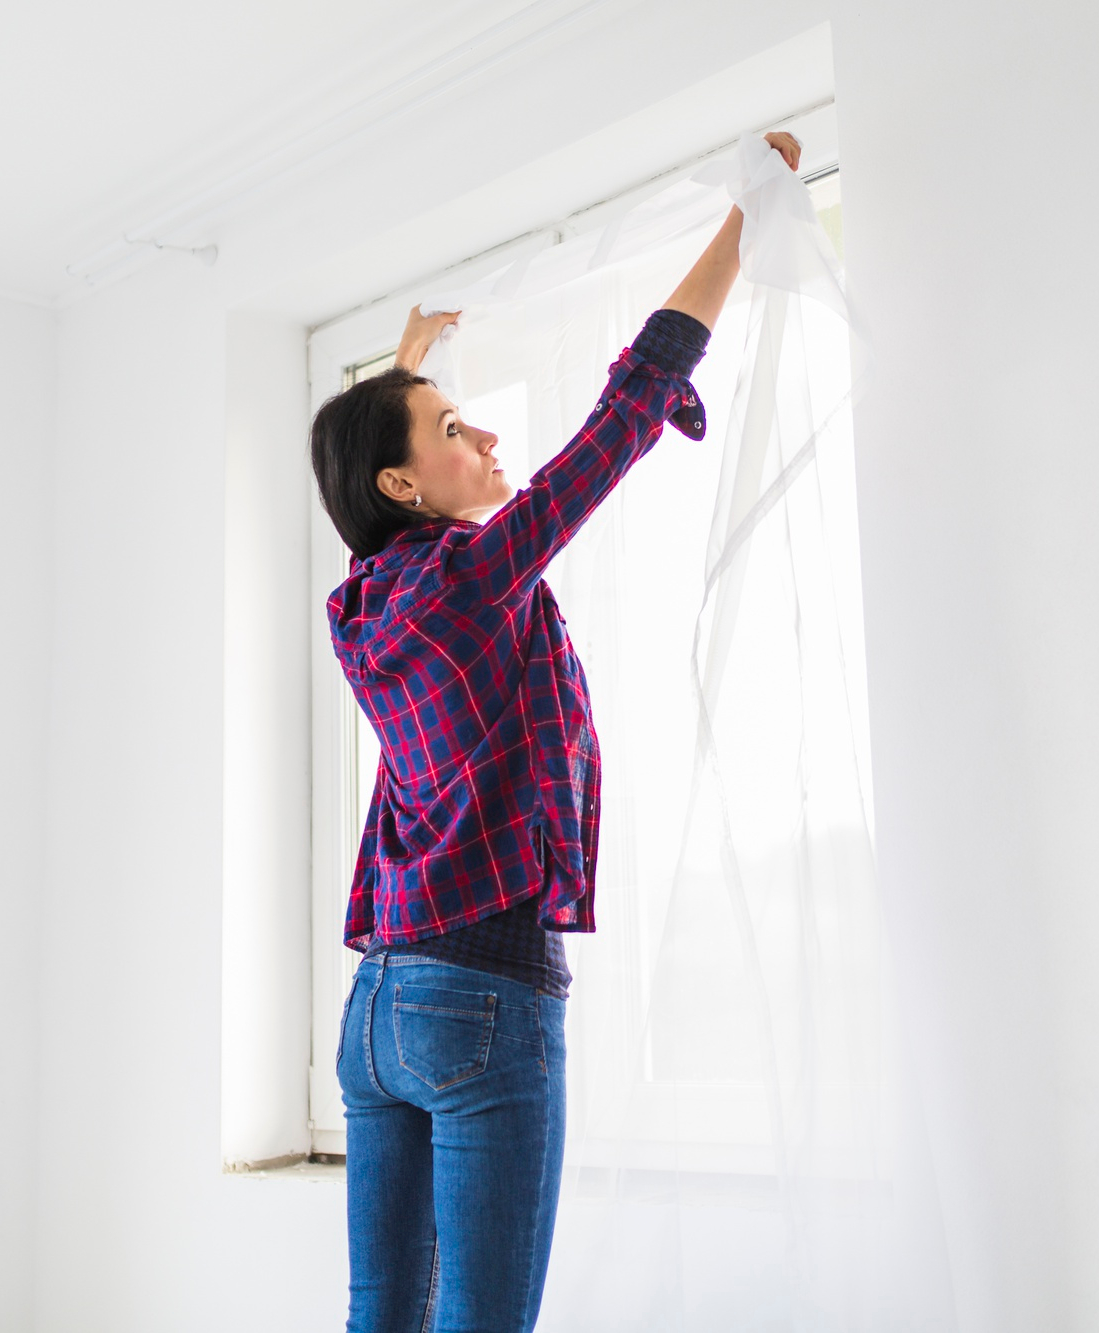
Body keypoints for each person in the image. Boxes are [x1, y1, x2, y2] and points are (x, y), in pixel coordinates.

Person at [308, 132, 803, 1333]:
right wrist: (749, 225)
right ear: (404, 488)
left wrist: (405, 368)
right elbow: (618, 424)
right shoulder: (474, 577)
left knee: (385, 1317)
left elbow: (360, 462)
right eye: (453, 428)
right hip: (477, 997)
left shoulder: (363, 606)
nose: (484, 441)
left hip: (377, 1013)